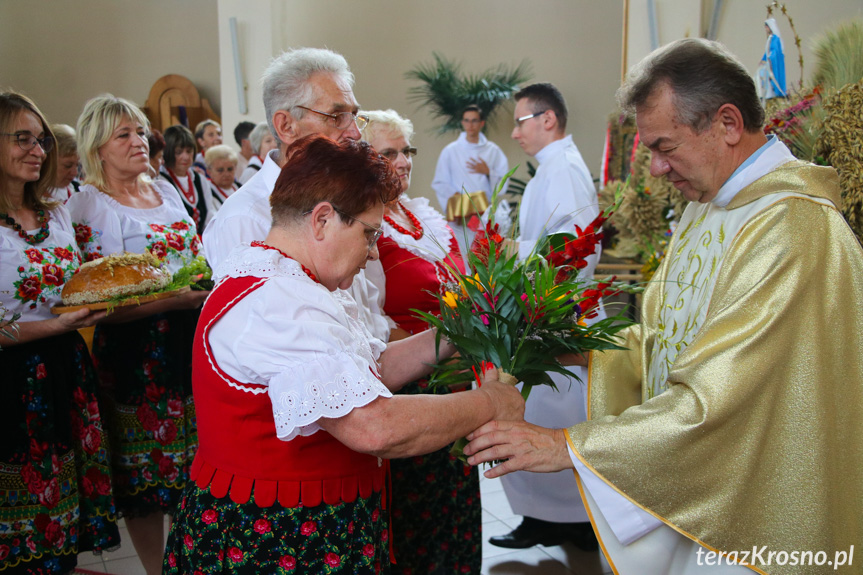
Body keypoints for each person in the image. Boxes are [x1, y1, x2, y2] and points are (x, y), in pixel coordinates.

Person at [466, 38, 863, 575]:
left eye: (665, 147)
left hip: (751, 514)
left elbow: (723, 399)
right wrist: (579, 351)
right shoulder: (711, 205)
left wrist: (571, 446)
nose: (654, 169)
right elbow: (669, 339)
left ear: (726, 124)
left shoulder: (789, 229)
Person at [163, 134, 523, 573]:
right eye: (369, 233)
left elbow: (374, 368)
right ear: (321, 220)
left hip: (308, 528)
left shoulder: (293, 278)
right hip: (274, 539)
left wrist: (458, 331)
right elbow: (374, 428)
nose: (373, 251)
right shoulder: (279, 300)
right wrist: (490, 402)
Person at [67, 94, 209, 575]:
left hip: (189, 340)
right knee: (145, 480)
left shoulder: (166, 190)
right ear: (97, 147)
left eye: (140, 132)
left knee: (195, 466)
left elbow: (195, 255)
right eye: (123, 135)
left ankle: (192, 560)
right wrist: (174, 299)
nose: (138, 142)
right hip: (135, 354)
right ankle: (156, 570)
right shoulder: (88, 203)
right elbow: (97, 301)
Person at [0, 91, 120, 574]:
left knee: (65, 517)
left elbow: (77, 282)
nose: (38, 150)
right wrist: (55, 324)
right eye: (22, 139)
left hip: (65, 369)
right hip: (11, 378)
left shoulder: (57, 210)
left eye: (42, 139)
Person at [361, 110, 481, 573]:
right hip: (410, 383)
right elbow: (369, 318)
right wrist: (433, 350)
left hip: (454, 377)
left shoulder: (422, 214)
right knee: (419, 513)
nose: (403, 161)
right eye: (388, 152)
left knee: (456, 502)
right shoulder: (368, 226)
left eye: (406, 151)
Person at [203, 47, 390, 342]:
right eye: (337, 116)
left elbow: (370, 316)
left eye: (354, 116)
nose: (354, 132)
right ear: (285, 126)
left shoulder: (344, 195)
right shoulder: (245, 218)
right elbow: (263, 343)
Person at [484, 82, 601, 552]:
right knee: (539, 410)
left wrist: (513, 251)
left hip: (558, 310)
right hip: (541, 306)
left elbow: (578, 249)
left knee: (555, 412)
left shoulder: (565, 170)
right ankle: (543, 518)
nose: (514, 132)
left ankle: (573, 521)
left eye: (520, 121)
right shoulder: (550, 169)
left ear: (547, 119)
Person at [432, 104, 509, 263]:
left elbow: (504, 181)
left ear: (482, 123)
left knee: (484, 256)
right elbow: (440, 182)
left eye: (474, 121)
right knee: (462, 254)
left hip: (484, 213)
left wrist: (488, 172)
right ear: (462, 123)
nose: (470, 125)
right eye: (467, 120)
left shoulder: (492, 151)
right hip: (461, 213)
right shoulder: (451, 151)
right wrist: (459, 200)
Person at [160, 124, 217, 234]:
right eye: (179, 152)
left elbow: (209, 216)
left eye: (189, 151)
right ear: (168, 152)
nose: (185, 157)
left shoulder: (200, 180)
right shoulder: (162, 181)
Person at [46, 123, 81, 202]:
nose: (75, 173)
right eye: (68, 166)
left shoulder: (77, 191)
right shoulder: (29, 197)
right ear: (48, 161)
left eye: (77, 165)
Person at [757, 17, 787, 101]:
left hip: (774, 63)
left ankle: (774, 92)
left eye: (766, 27)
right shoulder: (770, 38)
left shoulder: (776, 39)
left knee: (768, 75)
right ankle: (768, 93)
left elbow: (775, 51)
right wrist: (763, 60)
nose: (766, 29)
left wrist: (770, 57)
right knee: (762, 73)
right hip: (769, 62)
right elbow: (767, 51)